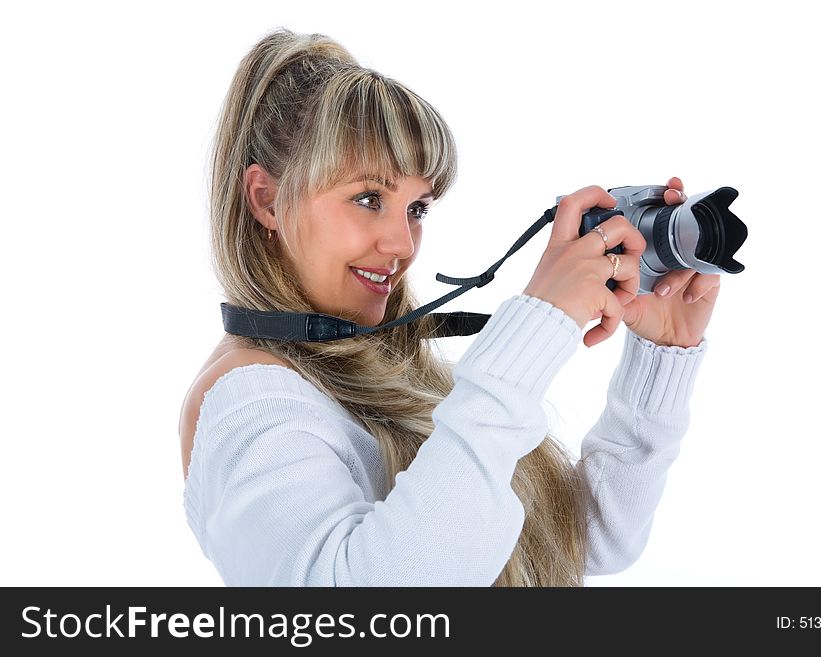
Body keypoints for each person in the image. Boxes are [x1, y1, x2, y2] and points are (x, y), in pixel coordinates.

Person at [178, 27, 718, 587]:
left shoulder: (363, 368)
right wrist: (534, 330)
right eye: (368, 199)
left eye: (417, 208)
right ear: (265, 199)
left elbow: (580, 542)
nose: (401, 245)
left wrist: (662, 355)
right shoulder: (248, 401)